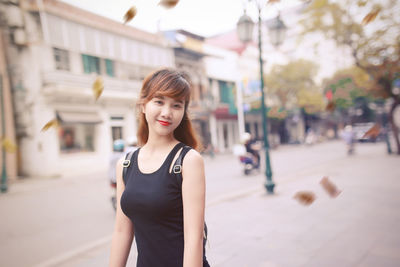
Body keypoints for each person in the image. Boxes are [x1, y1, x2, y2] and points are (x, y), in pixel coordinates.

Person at [109, 68, 210, 267]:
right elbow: (122, 231)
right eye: (159, 101)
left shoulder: (187, 161)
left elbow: (194, 237)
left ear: (183, 112)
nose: (167, 112)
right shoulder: (126, 164)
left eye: (176, 105)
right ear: (143, 105)